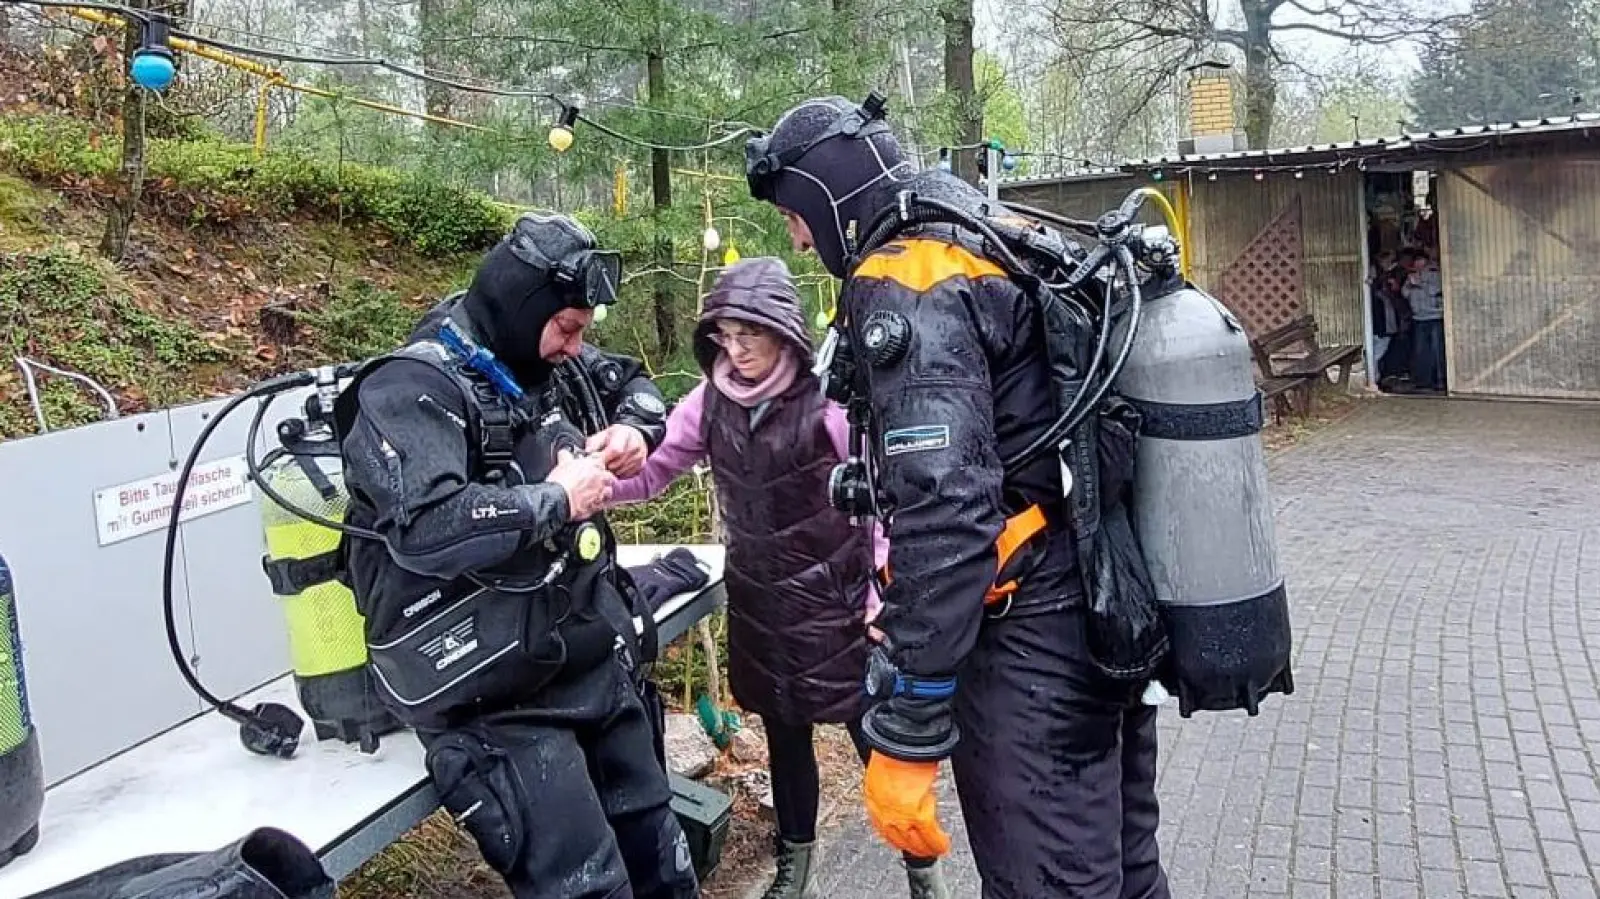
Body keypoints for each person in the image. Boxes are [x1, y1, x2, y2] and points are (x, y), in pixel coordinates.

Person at [743, 95, 1172, 899]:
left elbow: (946, 517)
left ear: (828, 193)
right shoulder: (990, 231)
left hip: (1031, 652)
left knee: (1051, 886)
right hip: (1105, 604)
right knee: (1125, 874)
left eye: (795, 214)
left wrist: (908, 729)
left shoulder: (909, 276)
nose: (797, 237)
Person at [333, 212, 700, 899]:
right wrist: (553, 500)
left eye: (582, 329)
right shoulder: (411, 391)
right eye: (567, 328)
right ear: (522, 306)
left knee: (665, 863)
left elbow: (637, 386)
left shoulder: (545, 359)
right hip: (494, 697)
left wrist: (636, 428)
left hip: (580, 651)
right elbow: (429, 528)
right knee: (589, 887)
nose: (576, 344)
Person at [603, 256, 951, 899]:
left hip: (841, 608)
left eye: (749, 335)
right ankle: (794, 871)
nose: (735, 351)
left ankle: (920, 865)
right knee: (786, 742)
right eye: (725, 336)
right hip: (762, 609)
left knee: (877, 743)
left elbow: (881, 497)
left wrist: (885, 589)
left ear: (782, 332)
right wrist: (594, 478)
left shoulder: (829, 402)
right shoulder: (708, 401)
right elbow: (655, 470)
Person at [1402, 248, 1446, 392]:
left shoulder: (1435, 273)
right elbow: (1405, 293)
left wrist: (1420, 283)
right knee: (1421, 350)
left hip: (1434, 316)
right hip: (1419, 317)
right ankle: (1423, 380)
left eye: (1421, 263)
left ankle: (1440, 379)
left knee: (1437, 350)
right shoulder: (1411, 276)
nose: (1418, 266)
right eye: (1416, 263)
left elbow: (1437, 290)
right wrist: (1409, 284)